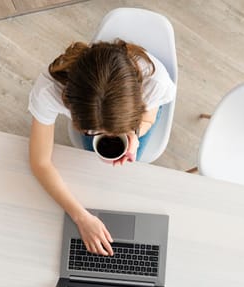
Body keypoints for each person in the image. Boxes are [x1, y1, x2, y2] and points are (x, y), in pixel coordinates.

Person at [28, 39, 175, 256]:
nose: (106, 138)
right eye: (93, 131)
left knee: (124, 171)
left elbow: (149, 117)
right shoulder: (49, 90)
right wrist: (81, 217)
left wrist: (134, 134)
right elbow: (40, 162)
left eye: (114, 131)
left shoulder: (155, 82)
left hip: (135, 117)